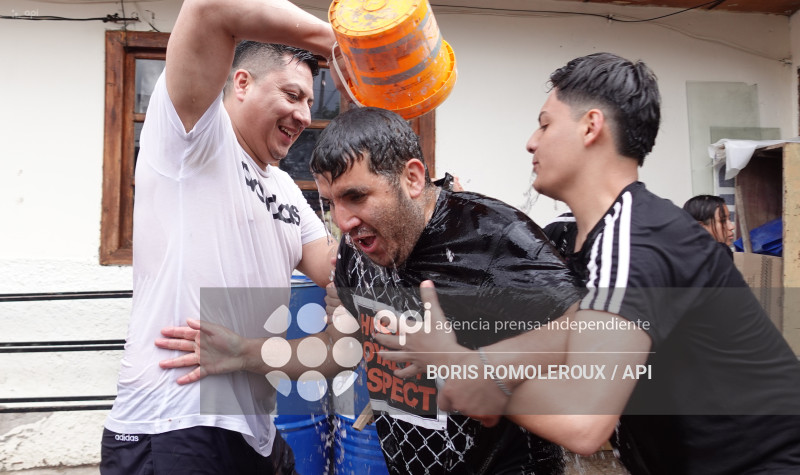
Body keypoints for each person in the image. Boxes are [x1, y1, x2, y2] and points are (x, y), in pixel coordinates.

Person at [381, 52, 800, 475]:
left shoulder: (635, 237)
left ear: (590, 126)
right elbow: (567, 335)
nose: (532, 140)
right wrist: (471, 366)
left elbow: (583, 422)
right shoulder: (609, 239)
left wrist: (464, 373)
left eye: (545, 123)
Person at [155, 106, 586, 474]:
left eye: (356, 196)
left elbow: (589, 334)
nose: (342, 221)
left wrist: (466, 364)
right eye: (331, 202)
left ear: (412, 178)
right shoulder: (355, 252)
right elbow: (339, 349)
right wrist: (244, 353)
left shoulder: (493, 237)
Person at [101, 1, 345, 473]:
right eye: (293, 95)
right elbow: (210, 7)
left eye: (311, 102)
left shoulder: (285, 188)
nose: (303, 114)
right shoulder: (193, 138)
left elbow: (339, 272)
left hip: (255, 433)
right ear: (241, 83)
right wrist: (340, 43)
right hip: (175, 423)